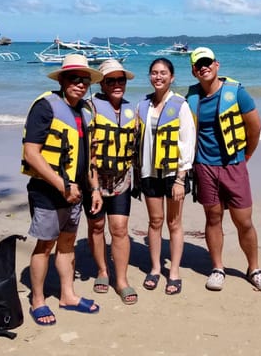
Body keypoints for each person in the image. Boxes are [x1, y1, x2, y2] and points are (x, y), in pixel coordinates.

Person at [22, 53, 104, 326]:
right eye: (73, 78)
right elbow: (32, 154)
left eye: (84, 80)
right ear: (62, 80)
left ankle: (67, 295)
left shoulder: (85, 112)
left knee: (67, 244)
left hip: (76, 191)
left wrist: (94, 189)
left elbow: (90, 157)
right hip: (47, 190)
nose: (79, 84)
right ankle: (38, 300)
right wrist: (62, 186)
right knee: (45, 245)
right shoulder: (45, 106)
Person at [186, 47, 261, 293]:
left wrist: (245, 156)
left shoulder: (237, 92)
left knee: (243, 221)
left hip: (233, 165)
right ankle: (217, 268)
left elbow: (254, 128)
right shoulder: (191, 96)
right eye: (198, 64)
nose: (203, 67)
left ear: (217, 65)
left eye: (207, 63)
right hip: (205, 166)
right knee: (213, 218)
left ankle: (254, 269)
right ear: (194, 71)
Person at [136, 58, 195, 295]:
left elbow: (187, 142)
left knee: (174, 223)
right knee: (155, 221)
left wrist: (181, 178)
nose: (158, 77)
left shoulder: (180, 105)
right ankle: (155, 268)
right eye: (153, 73)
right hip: (149, 172)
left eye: (163, 73)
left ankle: (175, 272)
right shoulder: (143, 105)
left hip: (173, 174)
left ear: (172, 77)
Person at [87, 59, 138, 305]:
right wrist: (93, 186)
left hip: (121, 180)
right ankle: (102, 271)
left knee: (119, 229)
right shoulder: (90, 108)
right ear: (102, 84)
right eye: (111, 80)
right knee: (97, 227)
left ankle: (122, 280)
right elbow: (85, 152)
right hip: (94, 181)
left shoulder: (133, 111)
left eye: (121, 80)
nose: (117, 84)